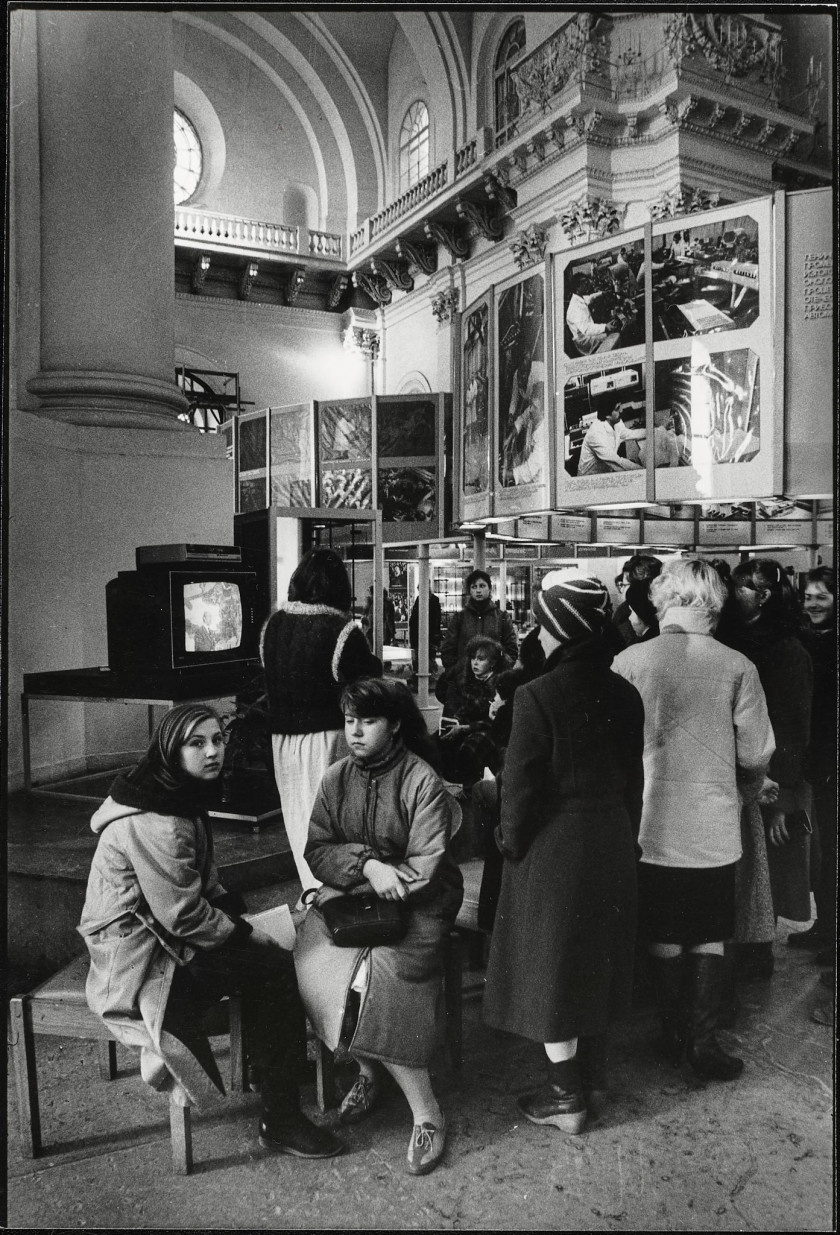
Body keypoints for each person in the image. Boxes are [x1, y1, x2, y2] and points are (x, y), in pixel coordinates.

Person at [77, 704, 344, 1159]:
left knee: (272, 951)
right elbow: (183, 916)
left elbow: (205, 885)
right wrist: (250, 934)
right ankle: (280, 1118)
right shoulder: (157, 820)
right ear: (170, 750)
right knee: (274, 970)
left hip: (165, 935)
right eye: (196, 743)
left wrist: (248, 922)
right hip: (140, 956)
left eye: (218, 740)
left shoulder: (171, 795)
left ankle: (272, 1066)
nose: (212, 751)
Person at [483, 578, 645, 1134]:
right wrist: (630, 839)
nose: (537, 633)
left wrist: (511, 844)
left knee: (549, 971)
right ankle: (594, 1075)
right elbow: (635, 782)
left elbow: (518, 788)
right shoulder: (626, 693)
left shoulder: (537, 695)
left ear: (559, 631)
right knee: (596, 960)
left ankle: (565, 1096)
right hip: (613, 839)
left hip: (555, 850)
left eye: (543, 624)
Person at [293, 679, 463, 1176]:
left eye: (367, 721)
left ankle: (427, 1112)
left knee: (379, 978)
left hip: (419, 905)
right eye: (349, 721)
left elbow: (427, 866)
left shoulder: (420, 780)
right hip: (355, 900)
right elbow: (317, 848)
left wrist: (377, 878)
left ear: (393, 725)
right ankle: (368, 1068)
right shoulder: (335, 778)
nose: (355, 732)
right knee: (314, 960)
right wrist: (367, 866)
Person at [613, 559, 775, 1081]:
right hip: (712, 822)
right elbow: (755, 752)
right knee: (707, 930)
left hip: (648, 822)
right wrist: (743, 784)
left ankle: (669, 1030)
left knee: (661, 928)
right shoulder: (736, 665)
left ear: (663, 599)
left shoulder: (629, 660)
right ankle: (702, 1044)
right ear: (715, 602)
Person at [261, 548, 382, 895]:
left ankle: (310, 891)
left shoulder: (273, 625)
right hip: (328, 736)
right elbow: (369, 679)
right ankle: (332, 895)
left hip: (282, 738)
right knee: (333, 819)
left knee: (299, 816)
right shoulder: (341, 629)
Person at [720, 558, 814, 980]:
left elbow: (795, 725)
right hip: (738, 771)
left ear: (764, 595)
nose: (733, 593)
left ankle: (758, 953)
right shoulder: (730, 638)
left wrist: (785, 796)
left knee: (767, 872)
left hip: (771, 777)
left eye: (742, 586)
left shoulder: (787, 649)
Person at [790, 566, 836, 969]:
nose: (814, 604)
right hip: (818, 760)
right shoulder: (805, 641)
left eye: (822, 597)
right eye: (809, 597)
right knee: (825, 847)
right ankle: (826, 927)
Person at [439, 636, 506, 788]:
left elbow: (495, 721)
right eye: (473, 658)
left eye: (481, 659)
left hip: (492, 731)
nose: (475, 663)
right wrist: (456, 721)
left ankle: (472, 788)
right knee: (439, 741)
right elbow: (465, 709)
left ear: (493, 663)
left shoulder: (499, 685)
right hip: (469, 726)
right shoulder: (469, 681)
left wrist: (465, 728)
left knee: (471, 747)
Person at [439, 569, 517, 682]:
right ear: (470, 591)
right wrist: (455, 671)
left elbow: (511, 650)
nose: (478, 590)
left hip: (493, 681)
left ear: (490, 589)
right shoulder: (460, 618)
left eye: (482, 586)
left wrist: (500, 672)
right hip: (464, 681)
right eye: (474, 587)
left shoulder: (502, 618)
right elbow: (448, 649)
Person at [577, 405, 645, 475]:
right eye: (617, 408)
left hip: (607, 470)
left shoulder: (616, 422)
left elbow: (630, 434)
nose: (621, 410)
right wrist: (646, 472)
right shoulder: (595, 433)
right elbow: (617, 462)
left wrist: (654, 431)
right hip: (591, 478)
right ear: (607, 415)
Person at [565, 274, 621, 356]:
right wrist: (605, 327)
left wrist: (602, 293)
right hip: (586, 341)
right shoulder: (575, 308)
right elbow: (587, 330)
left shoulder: (578, 297)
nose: (588, 284)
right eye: (585, 282)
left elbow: (590, 298)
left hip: (587, 333)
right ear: (578, 287)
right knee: (614, 335)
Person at [408, 585, 442, 687]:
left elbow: (436, 618)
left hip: (428, 632)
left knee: (428, 654)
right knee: (420, 654)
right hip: (419, 632)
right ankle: (422, 673)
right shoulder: (420, 599)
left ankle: (428, 675)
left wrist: (435, 632)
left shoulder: (433, 600)